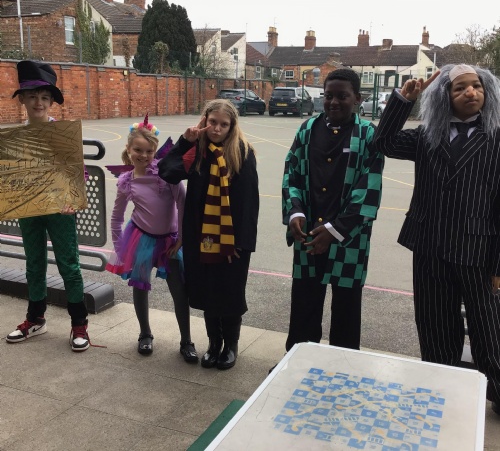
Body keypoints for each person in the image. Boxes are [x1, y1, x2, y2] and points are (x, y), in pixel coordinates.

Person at [373, 64, 500, 415]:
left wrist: (498, 264)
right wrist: (403, 100)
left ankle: (498, 390)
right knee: (435, 325)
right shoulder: (427, 136)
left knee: (489, 329)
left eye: (477, 86)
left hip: (478, 251)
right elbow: (383, 142)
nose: (470, 92)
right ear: (445, 97)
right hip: (430, 246)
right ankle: (440, 386)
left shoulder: (496, 138)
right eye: (460, 88)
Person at [281, 68, 384, 355]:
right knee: (304, 305)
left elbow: (369, 190)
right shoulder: (308, 129)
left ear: (357, 99)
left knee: (346, 310)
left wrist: (335, 230)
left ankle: (343, 366)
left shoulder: (368, 134)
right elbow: (292, 175)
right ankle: (298, 360)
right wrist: (295, 212)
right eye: (328, 96)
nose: (334, 102)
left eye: (342, 96)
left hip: (348, 239)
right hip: (308, 235)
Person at [158, 99, 259, 370]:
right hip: (201, 237)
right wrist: (184, 142)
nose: (216, 129)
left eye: (223, 124)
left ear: (232, 127)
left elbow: (250, 203)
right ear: (204, 120)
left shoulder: (243, 152)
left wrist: (241, 243)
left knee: (230, 291)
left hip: (232, 239)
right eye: (212, 122)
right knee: (207, 290)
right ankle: (214, 344)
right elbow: (166, 171)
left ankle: (231, 345)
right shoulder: (196, 151)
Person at [6, 60, 90, 352]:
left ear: (52, 102)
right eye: (32, 96)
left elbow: (78, 172)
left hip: (60, 208)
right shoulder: (15, 138)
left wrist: (73, 198)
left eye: (44, 97)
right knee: (34, 264)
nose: (38, 102)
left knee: (69, 265)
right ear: (22, 99)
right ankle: (36, 318)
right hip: (29, 208)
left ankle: (79, 323)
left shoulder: (62, 133)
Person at [105, 116, 198, 362]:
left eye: (149, 151)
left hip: (170, 241)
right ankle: (145, 334)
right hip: (142, 238)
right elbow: (116, 218)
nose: (143, 155)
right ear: (129, 149)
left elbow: (182, 203)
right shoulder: (127, 182)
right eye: (138, 150)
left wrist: (181, 239)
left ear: (155, 151)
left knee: (179, 291)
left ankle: (186, 340)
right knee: (140, 286)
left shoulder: (166, 174)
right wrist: (120, 248)